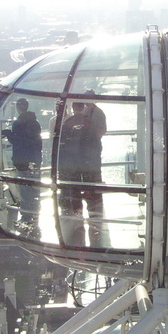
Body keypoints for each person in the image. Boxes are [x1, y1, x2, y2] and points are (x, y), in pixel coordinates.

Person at [58, 99, 106, 243]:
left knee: (76, 194)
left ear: (73, 108)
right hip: (89, 165)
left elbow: (62, 146)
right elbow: (97, 142)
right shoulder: (90, 123)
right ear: (83, 107)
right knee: (92, 194)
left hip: (74, 167)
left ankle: (78, 222)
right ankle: (95, 224)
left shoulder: (67, 123)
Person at [1, 98, 42, 223]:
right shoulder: (35, 122)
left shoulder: (18, 123)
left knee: (25, 191)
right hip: (34, 160)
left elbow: (18, 142)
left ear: (18, 108)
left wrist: (8, 134)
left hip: (22, 161)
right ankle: (35, 215)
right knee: (34, 188)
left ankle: (26, 218)